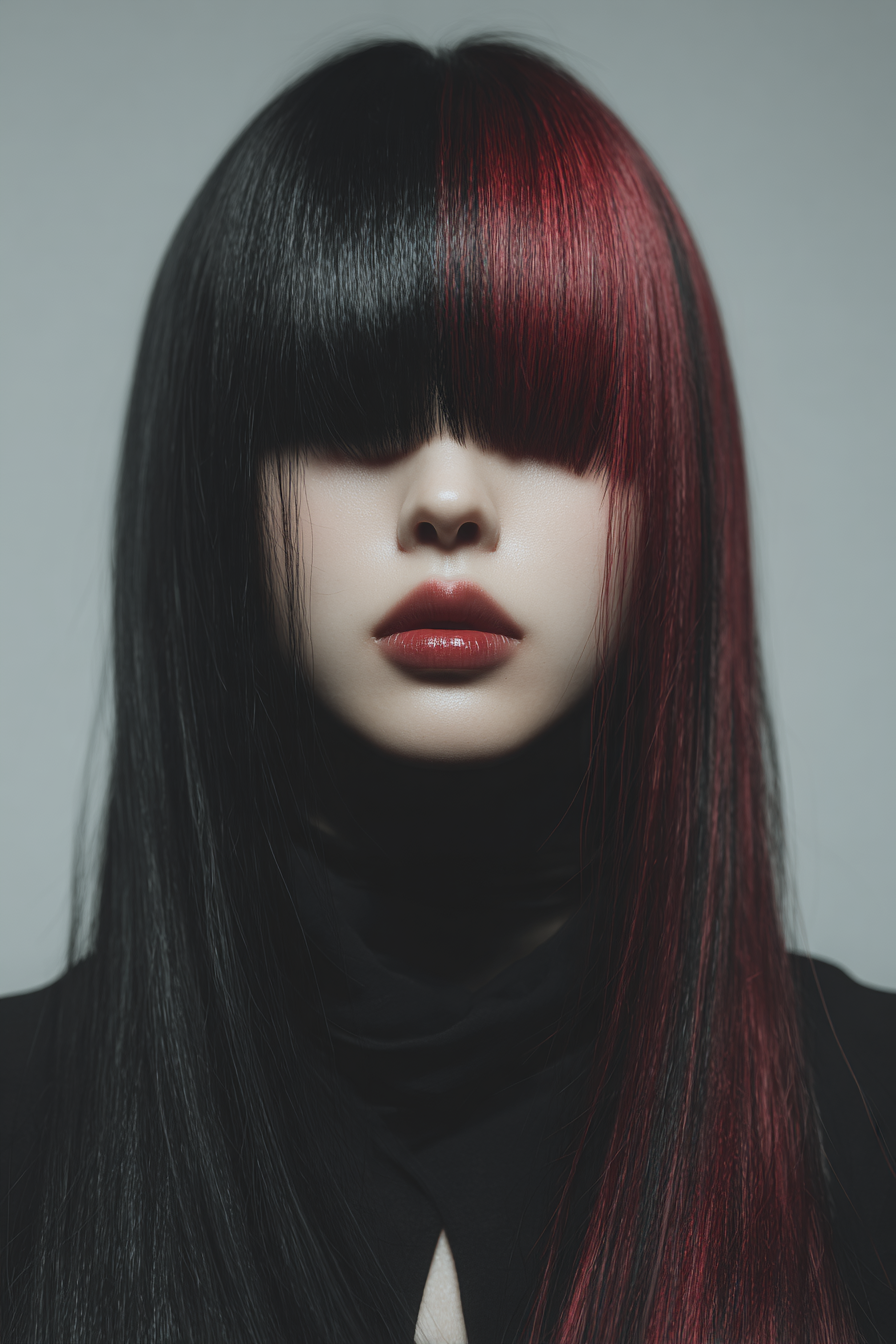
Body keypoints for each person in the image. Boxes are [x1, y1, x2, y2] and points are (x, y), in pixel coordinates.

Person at [1, 37, 893, 1344]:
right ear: (216, 495)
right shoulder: (28, 1129)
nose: (449, 502)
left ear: (669, 491)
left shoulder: (864, 1117)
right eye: (354, 420)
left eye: (542, 419)